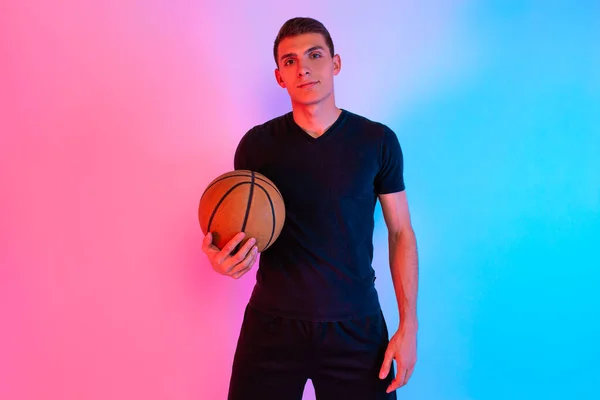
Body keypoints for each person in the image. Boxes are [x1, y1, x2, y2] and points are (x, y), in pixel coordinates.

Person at [201, 17, 419, 400]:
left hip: (356, 326)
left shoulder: (377, 141)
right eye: (289, 61)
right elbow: (239, 228)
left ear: (335, 63)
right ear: (279, 76)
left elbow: (400, 231)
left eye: (314, 55)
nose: (303, 68)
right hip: (272, 325)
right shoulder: (257, 146)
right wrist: (220, 255)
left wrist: (408, 326)